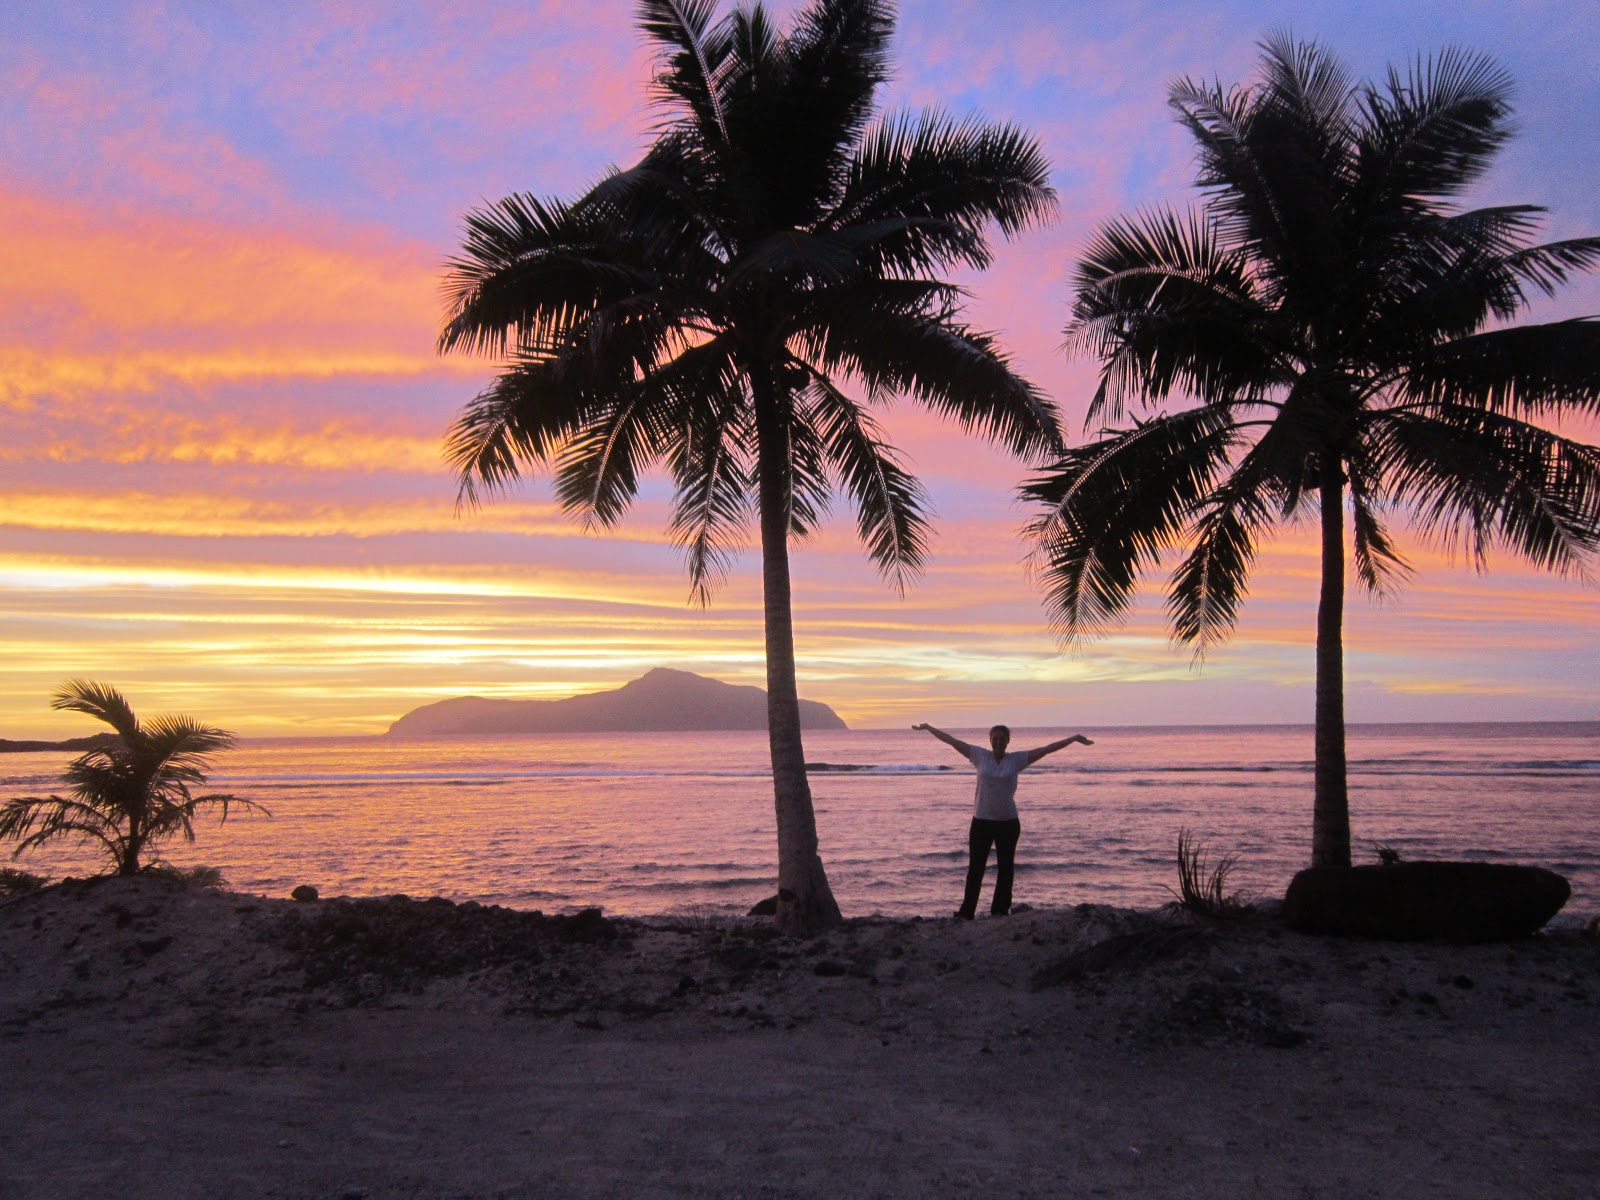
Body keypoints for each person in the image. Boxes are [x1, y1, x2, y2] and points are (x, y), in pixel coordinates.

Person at [913, 722, 1093, 919]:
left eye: (1002, 739)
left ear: (1008, 741)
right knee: (975, 869)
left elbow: (1047, 749)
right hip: (981, 821)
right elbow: (952, 741)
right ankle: (967, 912)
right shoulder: (980, 756)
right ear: (990, 740)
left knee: (1006, 869)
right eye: (995, 739)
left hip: (1008, 823)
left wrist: (1073, 738)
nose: (998, 742)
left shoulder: (1016, 760)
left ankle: (999, 911)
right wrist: (929, 728)